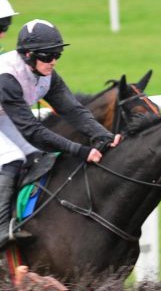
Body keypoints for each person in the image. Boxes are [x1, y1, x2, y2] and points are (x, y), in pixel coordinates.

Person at [0, 19, 121, 246]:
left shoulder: (47, 75)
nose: (53, 61)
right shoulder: (7, 77)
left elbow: (73, 110)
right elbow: (33, 131)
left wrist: (102, 134)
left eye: (57, 55)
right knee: (12, 158)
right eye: (47, 56)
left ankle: (23, 217)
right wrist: (80, 150)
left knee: (37, 156)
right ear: (28, 55)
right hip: (6, 113)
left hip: (4, 114)